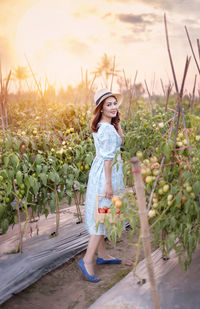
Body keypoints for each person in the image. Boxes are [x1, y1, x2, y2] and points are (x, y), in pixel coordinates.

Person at [78, 88, 125, 282]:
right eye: (109, 104)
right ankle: (87, 260)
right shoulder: (105, 129)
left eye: (115, 103)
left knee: (103, 215)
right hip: (106, 175)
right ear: (101, 108)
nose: (113, 107)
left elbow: (121, 142)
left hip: (104, 173)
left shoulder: (105, 125)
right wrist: (108, 185)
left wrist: (118, 123)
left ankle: (103, 255)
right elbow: (107, 159)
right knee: (102, 216)